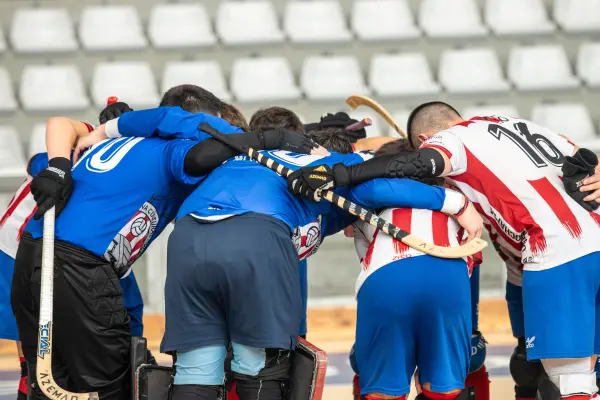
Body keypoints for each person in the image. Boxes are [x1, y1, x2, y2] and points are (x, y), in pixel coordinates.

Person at [91, 105, 482, 400]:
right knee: (258, 369)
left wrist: (104, 130)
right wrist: (456, 204)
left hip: (189, 239)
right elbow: (379, 186)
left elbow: (169, 117)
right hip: (257, 237)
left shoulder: (237, 154)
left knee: (197, 370)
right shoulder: (325, 163)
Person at [13, 87, 314, 400]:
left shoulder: (115, 141)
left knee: (48, 385)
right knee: (109, 388)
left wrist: (58, 163)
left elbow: (46, 149)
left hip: (33, 253)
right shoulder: (176, 145)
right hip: (79, 268)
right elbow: (198, 157)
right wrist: (263, 141)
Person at [289, 102, 600, 400]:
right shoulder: (511, 126)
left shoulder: (452, 145)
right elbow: (585, 159)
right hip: (580, 235)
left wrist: (340, 172)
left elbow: (412, 163)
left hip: (558, 248)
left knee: (567, 378)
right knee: (551, 369)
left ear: (428, 141)